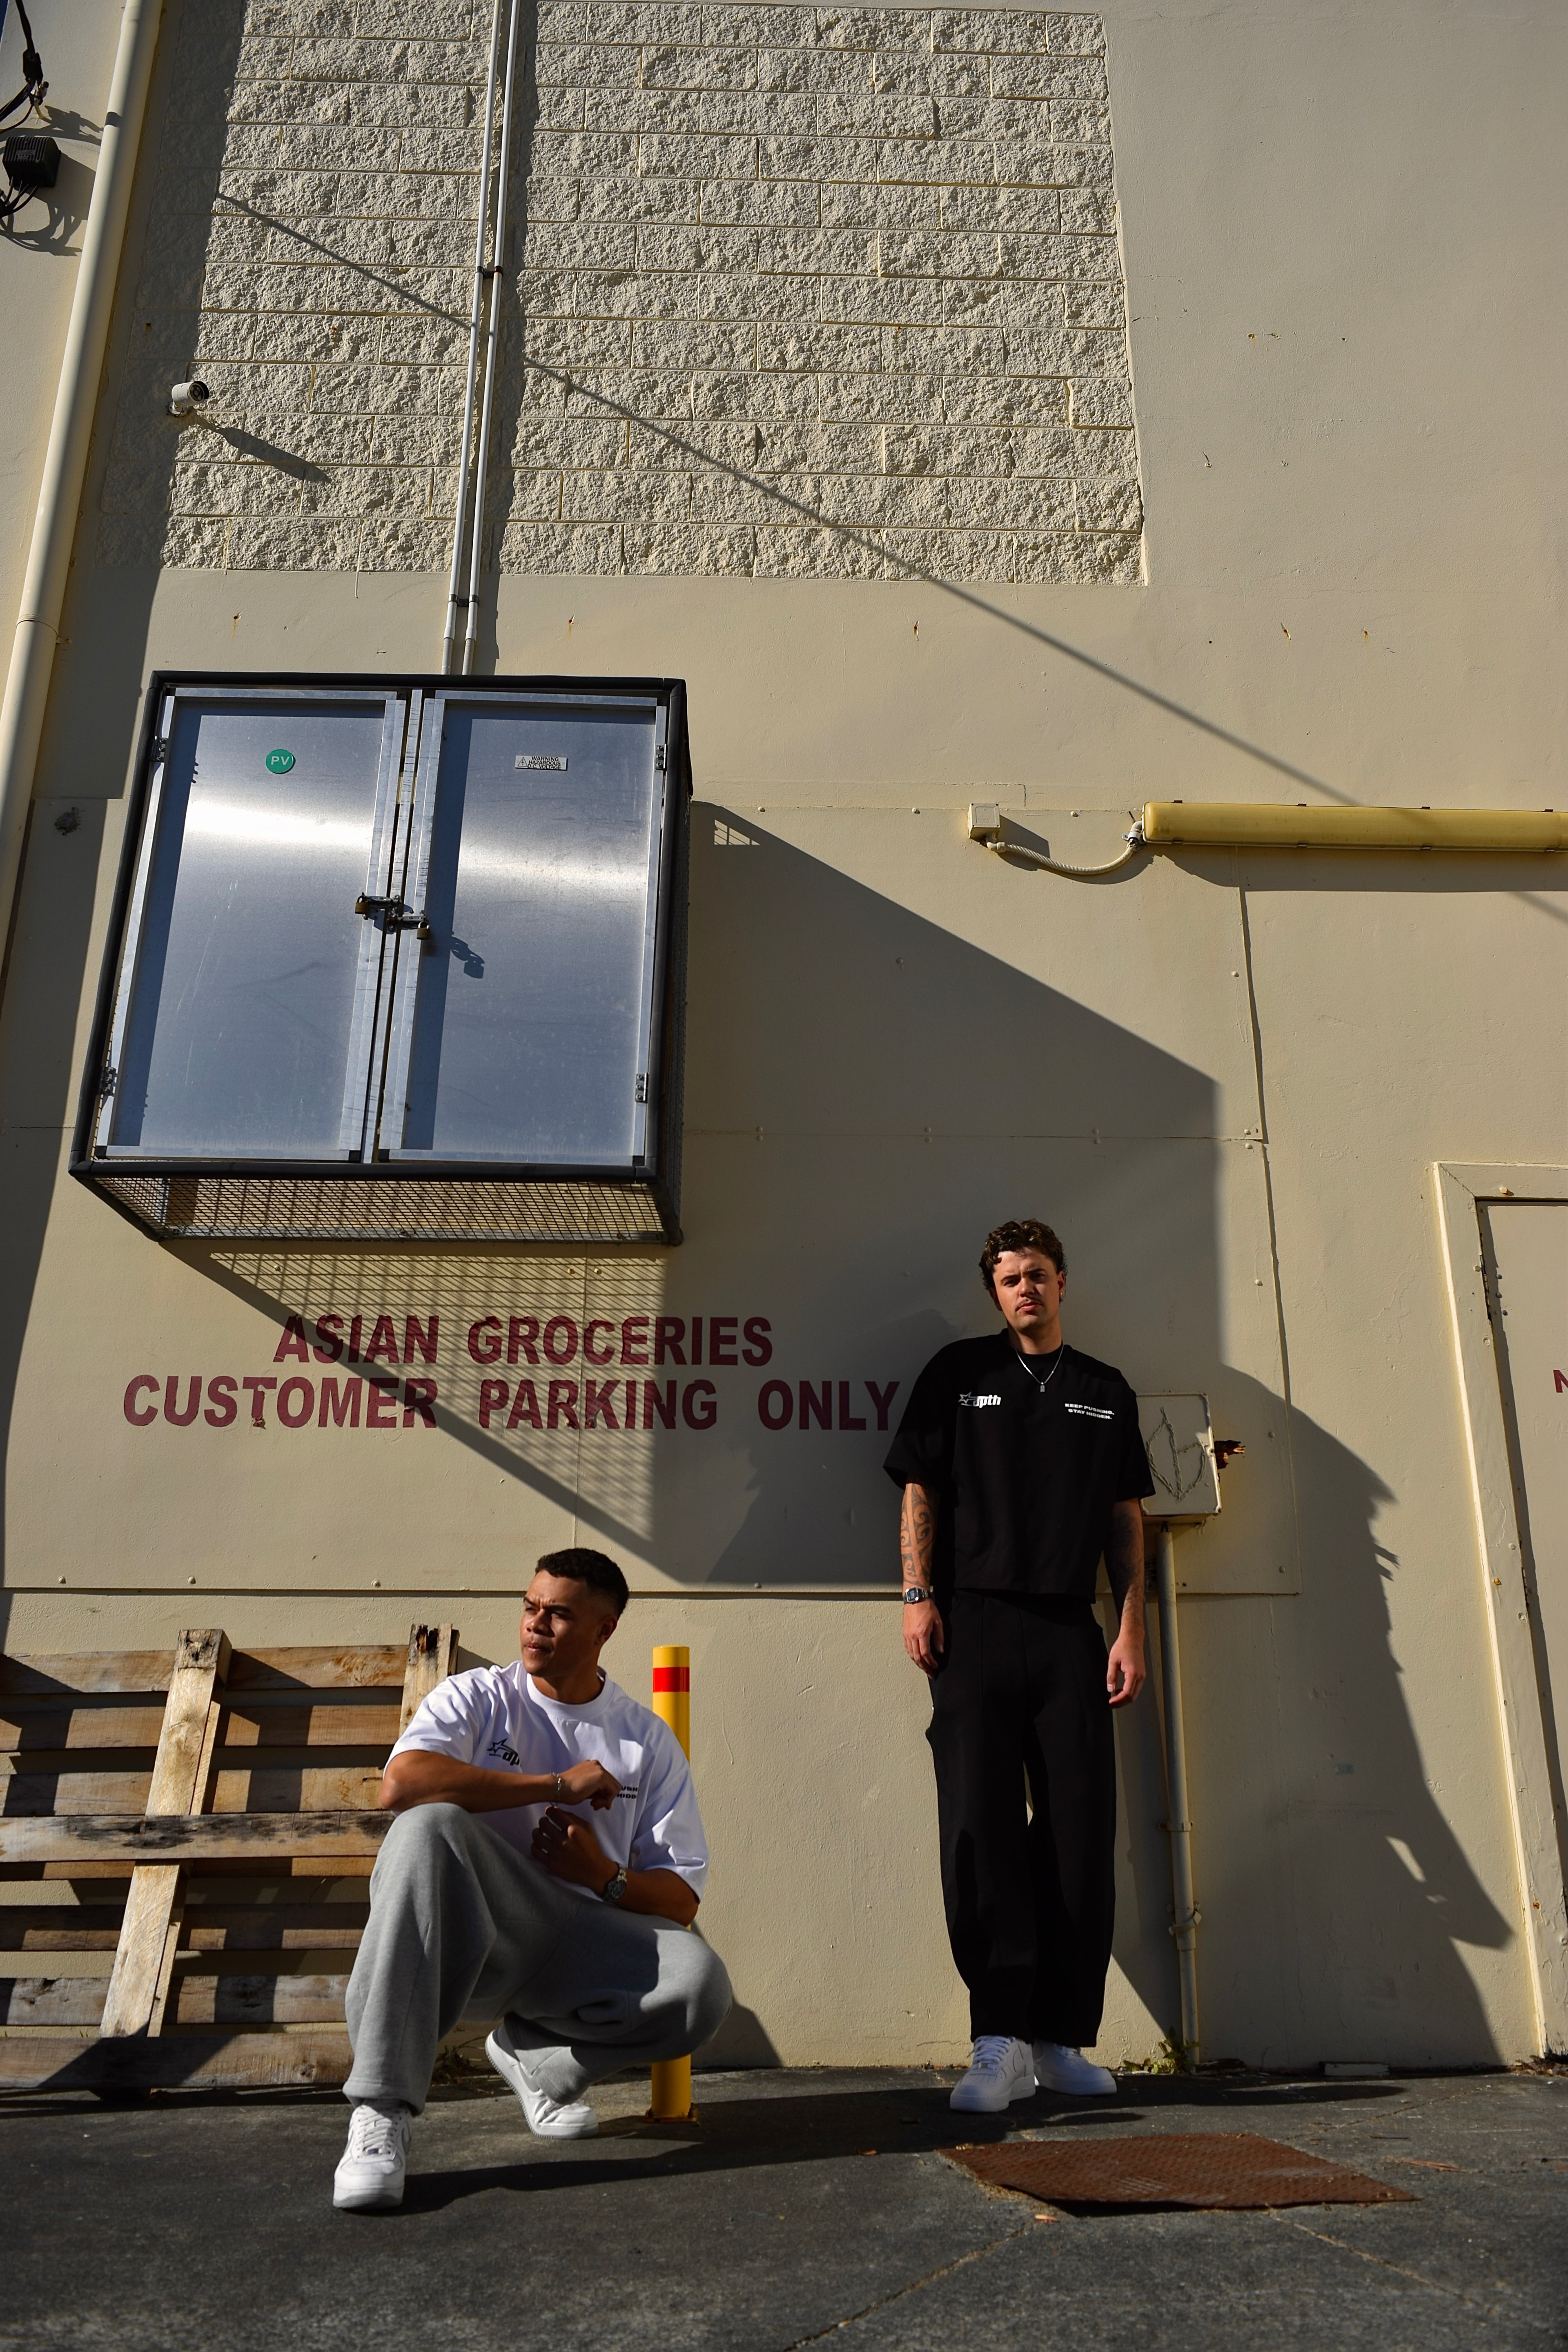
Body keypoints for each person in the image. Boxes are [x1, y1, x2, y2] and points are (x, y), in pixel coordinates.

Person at [333, 1547, 732, 2212]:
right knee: (425, 1827)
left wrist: (601, 1875)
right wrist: (552, 1785)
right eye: (530, 1608)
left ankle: (537, 2061)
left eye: (559, 1615)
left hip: (576, 1941)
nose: (535, 1626)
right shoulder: (479, 1696)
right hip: (474, 1934)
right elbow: (400, 1787)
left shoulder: (645, 1741)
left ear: (604, 1631)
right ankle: (380, 2112)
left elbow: (680, 1899)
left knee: (700, 1985)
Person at [884, 1220, 1153, 2113]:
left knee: (1080, 1833)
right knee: (981, 1827)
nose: (1025, 1289)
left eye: (1037, 1274)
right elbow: (920, 1489)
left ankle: (1058, 2038)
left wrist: (1130, 1628)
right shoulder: (959, 1376)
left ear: (1063, 1282)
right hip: (973, 1625)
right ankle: (996, 2039)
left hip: (1070, 1628)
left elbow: (1124, 1516)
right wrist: (918, 1595)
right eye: (1009, 1279)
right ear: (994, 1293)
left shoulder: (1104, 1392)